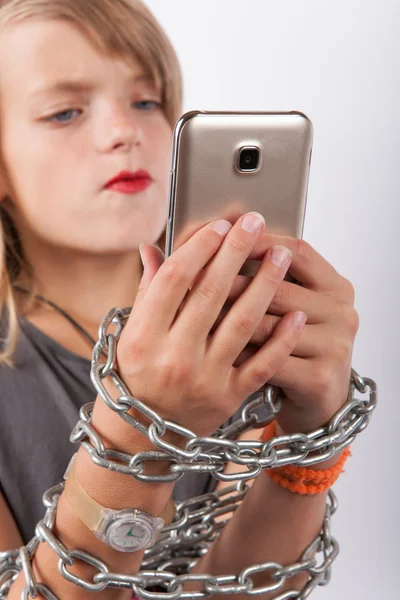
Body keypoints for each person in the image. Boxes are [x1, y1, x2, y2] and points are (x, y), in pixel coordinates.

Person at [0, 1, 361, 598]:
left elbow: (244, 588)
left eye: (147, 101)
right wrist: (140, 428)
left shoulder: (234, 337)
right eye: (64, 112)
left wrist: (310, 437)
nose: (125, 131)